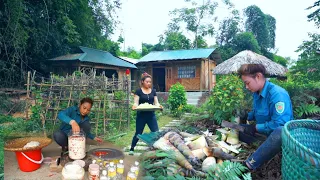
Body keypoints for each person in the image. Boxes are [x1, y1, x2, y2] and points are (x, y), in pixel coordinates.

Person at [238, 64, 293, 170]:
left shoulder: (277, 94)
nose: (246, 87)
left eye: (247, 83)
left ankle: (249, 165)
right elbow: (257, 113)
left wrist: (255, 128)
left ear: (258, 77)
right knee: (239, 129)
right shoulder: (257, 93)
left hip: (279, 138)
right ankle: (262, 148)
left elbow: (280, 125)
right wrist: (247, 116)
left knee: (280, 132)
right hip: (264, 135)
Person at [129, 72, 163, 155]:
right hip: (141, 116)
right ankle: (132, 148)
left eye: (150, 82)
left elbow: (156, 103)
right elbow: (136, 103)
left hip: (151, 115)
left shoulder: (153, 91)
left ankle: (157, 148)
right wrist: (134, 106)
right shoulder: (138, 91)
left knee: (156, 132)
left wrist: (159, 106)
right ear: (142, 82)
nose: (149, 83)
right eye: (147, 82)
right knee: (138, 133)